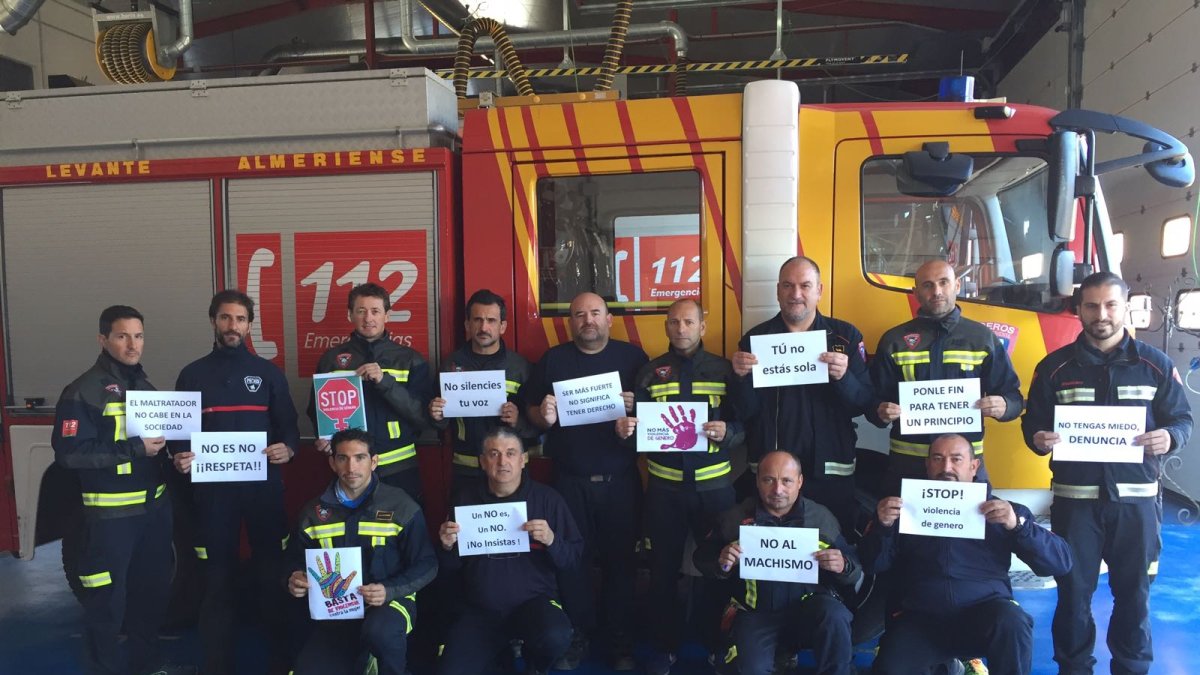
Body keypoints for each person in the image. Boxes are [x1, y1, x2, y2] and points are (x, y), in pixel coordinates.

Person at [1021, 271, 1191, 675]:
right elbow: (1032, 425)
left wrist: (1170, 437)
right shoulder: (1054, 368)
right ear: (1079, 310)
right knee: (1073, 593)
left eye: (1111, 305)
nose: (1102, 314)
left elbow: (1181, 419)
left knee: (1134, 595)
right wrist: (1039, 438)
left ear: (1125, 307)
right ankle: (1074, 667)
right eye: (1092, 306)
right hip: (1075, 505)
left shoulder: (1155, 365)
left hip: (1137, 504)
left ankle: (1131, 668)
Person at [51, 306, 192, 675]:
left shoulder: (145, 387)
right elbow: (69, 454)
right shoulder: (83, 391)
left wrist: (175, 459)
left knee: (151, 599)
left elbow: (157, 446)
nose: (132, 345)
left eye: (139, 336)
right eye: (122, 336)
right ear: (103, 339)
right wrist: (134, 449)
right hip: (110, 520)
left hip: (153, 516)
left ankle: (146, 667)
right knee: (107, 606)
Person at [859, 434, 1073, 675]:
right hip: (921, 620)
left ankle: (960, 663)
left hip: (984, 616)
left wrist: (1018, 526)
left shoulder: (1003, 512)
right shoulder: (902, 510)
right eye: (938, 459)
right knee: (889, 668)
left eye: (956, 459)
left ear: (974, 467)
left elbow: (1060, 563)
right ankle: (950, 665)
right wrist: (882, 527)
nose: (946, 467)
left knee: (1012, 621)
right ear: (928, 466)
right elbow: (872, 565)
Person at [171, 290, 299, 675]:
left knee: (271, 575)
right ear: (213, 320)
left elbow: (289, 428)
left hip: (263, 494)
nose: (233, 326)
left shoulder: (268, 373)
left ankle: (280, 662)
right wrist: (179, 456)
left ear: (249, 325)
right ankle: (217, 665)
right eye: (226, 318)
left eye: (241, 319)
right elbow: (180, 432)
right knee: (217, 582)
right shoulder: (192, 374)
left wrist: (288, 450)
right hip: (213, 497)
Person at [615, 298, 744, 674]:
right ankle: (663, 648)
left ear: (703, 326)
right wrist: (625, 432)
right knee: (662, 573)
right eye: (674, 323)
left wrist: (729, 432)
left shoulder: (723, 370)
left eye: (688, 322)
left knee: (721, 570)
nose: (681, 329)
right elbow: (635, 433)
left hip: (715, 493)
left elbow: (745, 422)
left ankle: (718, 645)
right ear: (666, 327)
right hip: (665, 493)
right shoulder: (649, 373)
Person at [521, 291, 648, 670]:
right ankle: (577, 634)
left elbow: (658, 412)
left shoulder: (633, 358)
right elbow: (530, 411)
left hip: (621, 481)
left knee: (621, 565)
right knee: (570, 563)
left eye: (595, 313)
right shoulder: (554, 360)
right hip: (569, 482)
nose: (587, 320)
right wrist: (542, 414)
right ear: (571, 322)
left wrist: (635, 407)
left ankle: (620, 641)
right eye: (579, 314)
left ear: (609, 319)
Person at [732, 256, 874, 534]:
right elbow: (742, 411)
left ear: (819, 290)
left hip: (830, 472)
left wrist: (844, 378)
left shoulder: (846, 337)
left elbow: (864, 404)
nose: (796, 294)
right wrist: (740, 379)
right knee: (777, 554)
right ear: (777, 290)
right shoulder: (755, 340)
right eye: (788, 285)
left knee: (832, 550)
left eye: (805, 285)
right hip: (775, 479)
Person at [693, 450, 859, 675]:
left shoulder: (820, 518)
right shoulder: (735, 519)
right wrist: (721, 563)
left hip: (806, 610)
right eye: (768, 480)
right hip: (755, 614)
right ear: (757, 481)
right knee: (749, 669)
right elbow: (702, 558)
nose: (777, 490)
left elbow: (855, 569)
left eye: (786, 481)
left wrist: (843, 565)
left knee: (835, 615)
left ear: (800, 482)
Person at [287, 428, 437, 675]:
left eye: (360, 457)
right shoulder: (312, 513)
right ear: (332, 463)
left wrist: (390, 590)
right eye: (343, 458)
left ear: (374, 462)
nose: (351, 467)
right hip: (336, 612)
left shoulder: (401, 505)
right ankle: (365, 662)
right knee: (307, 669)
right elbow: (293, 560)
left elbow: (427, 563)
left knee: (380, 633)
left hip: (389, 605)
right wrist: (292, 578)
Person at [435, 427, 583, 675]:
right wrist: (447, 546)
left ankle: (535, 666)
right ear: (483, 462)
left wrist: (552, 540)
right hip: (480, 609)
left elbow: (572, 561)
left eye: (511, 453)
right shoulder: (464, 499)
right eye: (494, 454)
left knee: (555, 636)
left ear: (523, 459)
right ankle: (500, 656)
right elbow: (449, 569)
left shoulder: (549, 500)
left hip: (533, 604)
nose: (502, 461)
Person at [870, 259, 1023, 494]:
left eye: (944, 282)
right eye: (928, 285)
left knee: (968, 530)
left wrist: (1004, 406)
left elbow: (1014, 398)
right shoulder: (895, 340)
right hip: (908, 467)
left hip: (964, 470)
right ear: (916, 292)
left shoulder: (982, 338)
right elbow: (872, 402)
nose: (937, 291)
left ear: (957, 285)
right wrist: (880, 411)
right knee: (901, 530)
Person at [310, 282, 433, 500]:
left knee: (404, 530)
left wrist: (384, 381)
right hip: (351, 470)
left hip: (399, 468)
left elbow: (423, 417)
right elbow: (316, 412)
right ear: (350, 315)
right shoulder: (331, 360)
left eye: (375, 311)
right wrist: (325, 438)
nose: (368, 318)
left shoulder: (410, 359)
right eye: (361, 311)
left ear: (387, 315)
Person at [429, 289, 536, 499]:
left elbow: (537, 426)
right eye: (477, 320)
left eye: (491, 320)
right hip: (465, 470)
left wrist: (518, 421)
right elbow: (439, 424)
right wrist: (436, 416)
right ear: (467, 325)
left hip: (509, 472)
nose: (484, 327)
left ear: (502, 326)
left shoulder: (520, 367)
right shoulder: (451, 365)